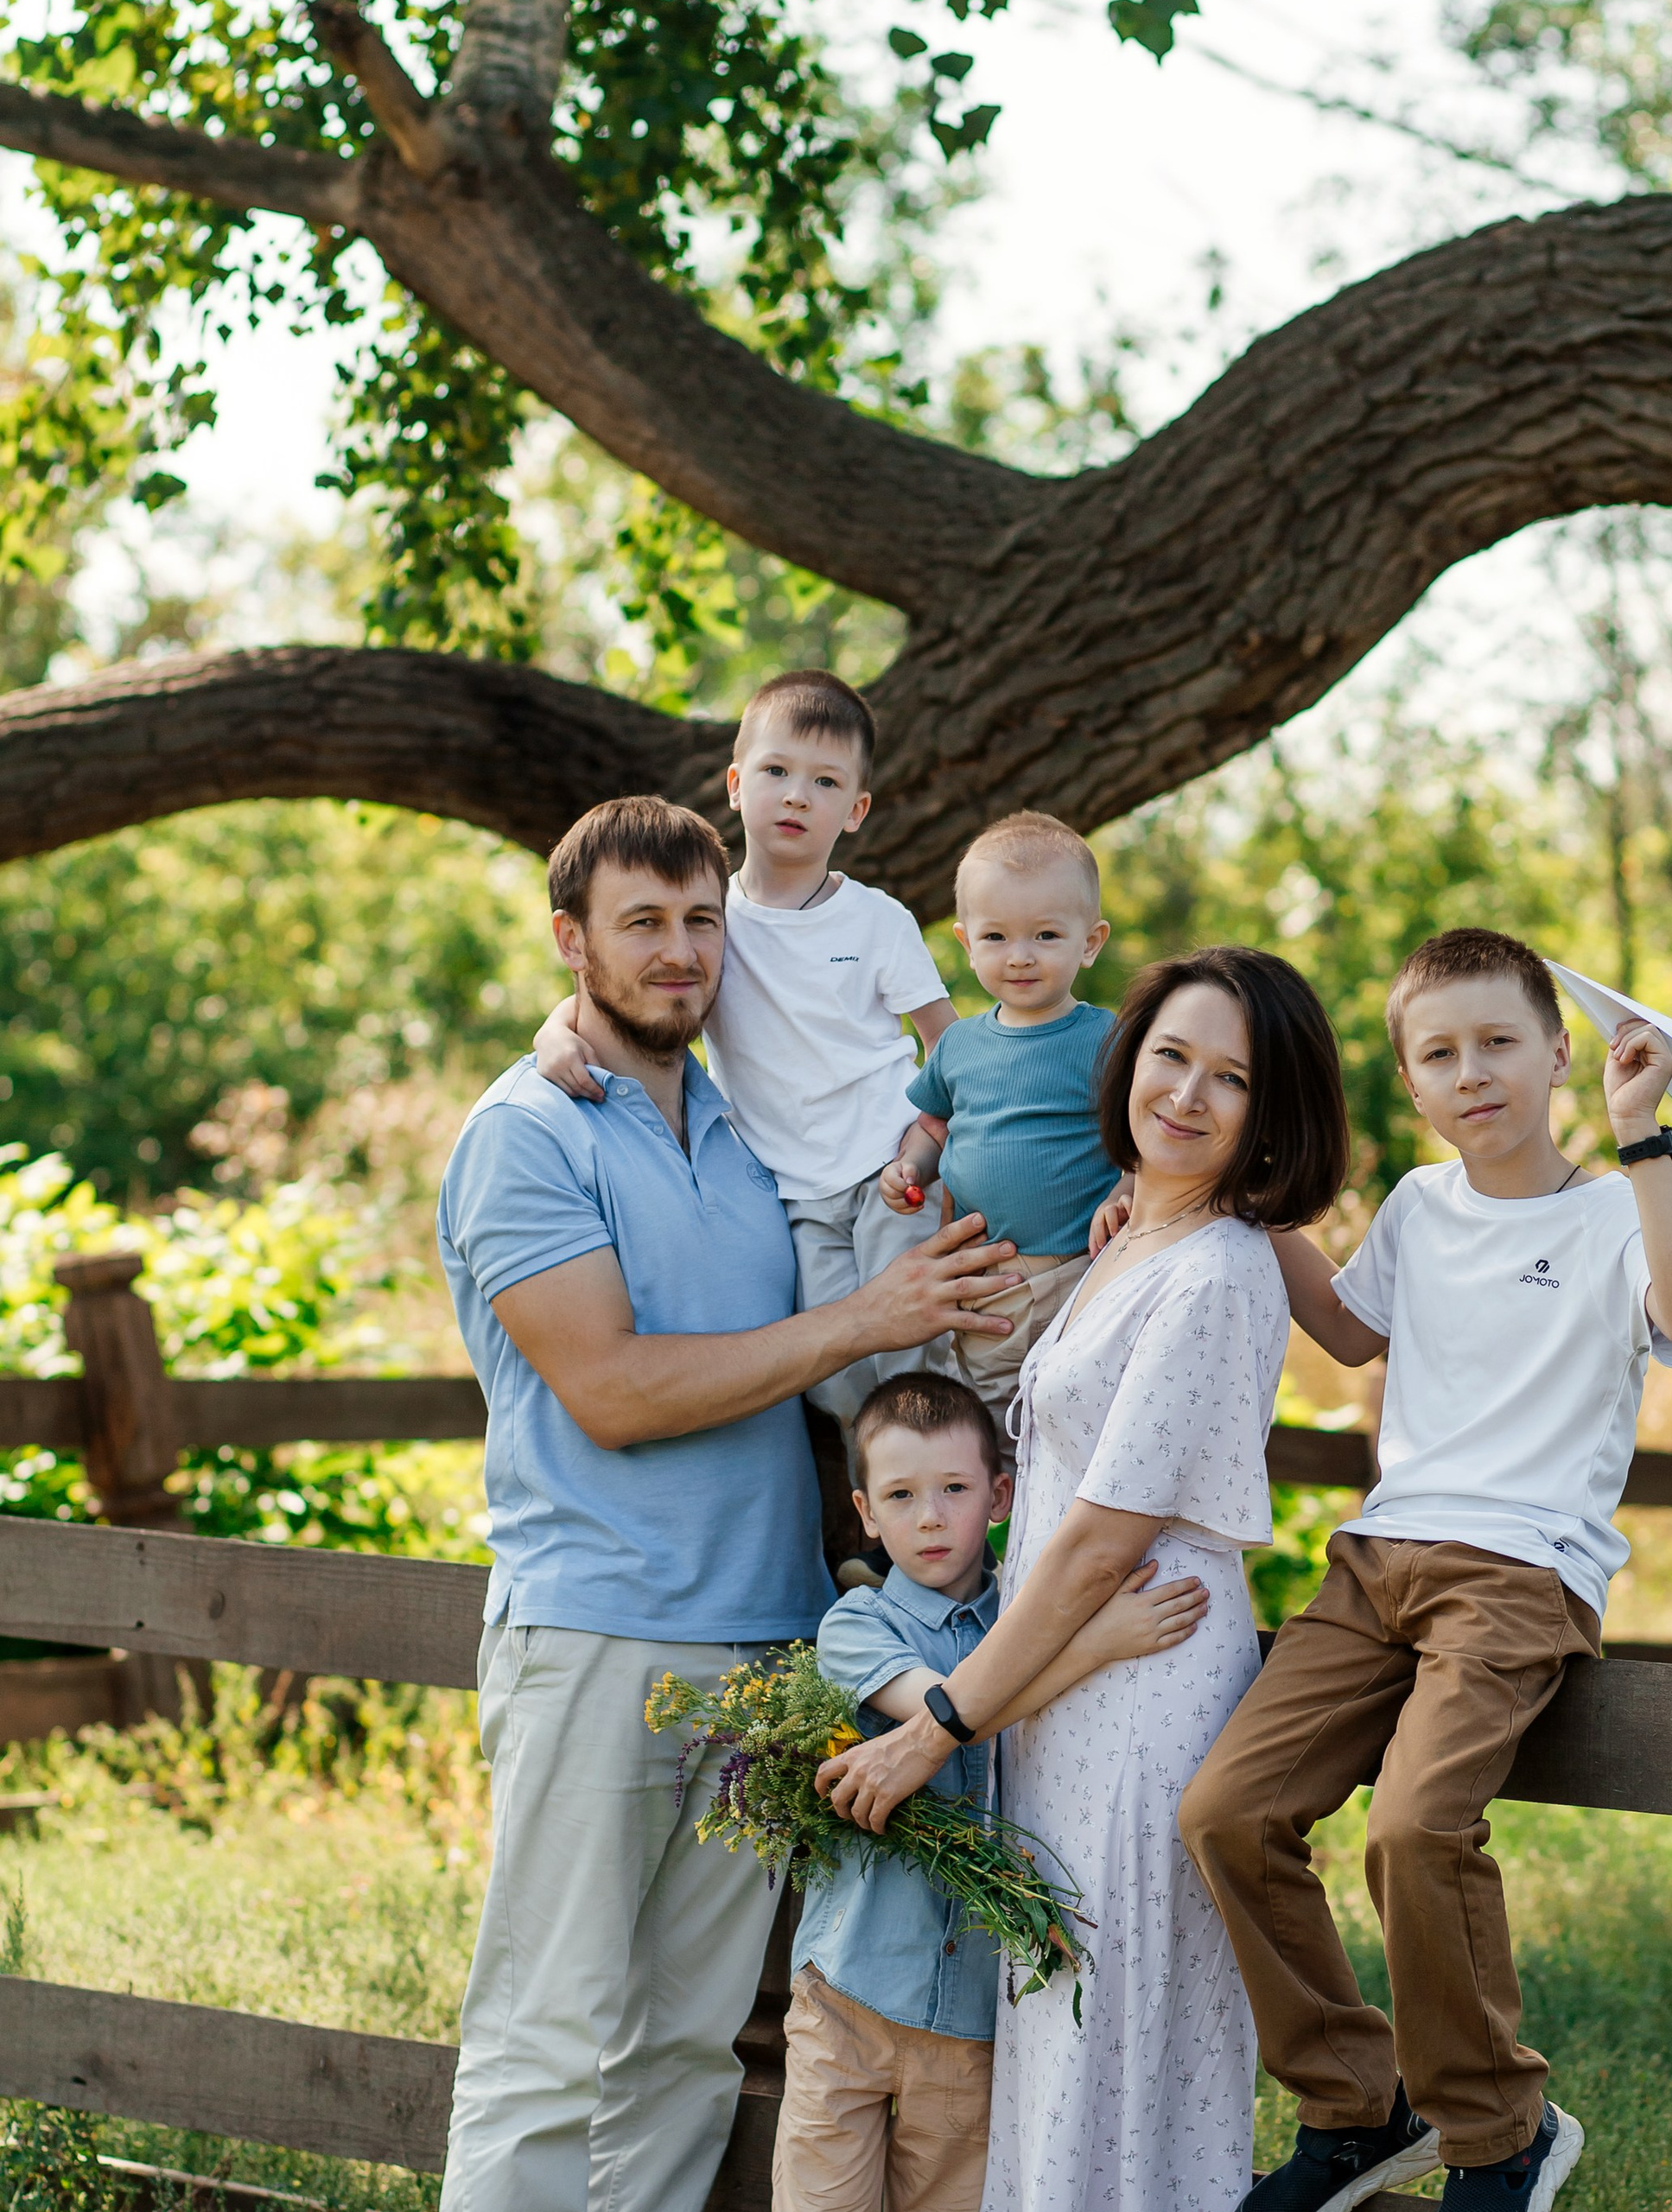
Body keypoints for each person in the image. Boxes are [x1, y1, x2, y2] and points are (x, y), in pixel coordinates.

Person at [435, 795, 1019, 2212]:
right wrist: (865, 1319)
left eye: (703, 921)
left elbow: (978, 1104)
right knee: (546, 2040)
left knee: (689, 2050)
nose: (680, 951)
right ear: (571, 941)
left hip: (767, 1647)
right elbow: (613, 1391)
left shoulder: (755, 1129)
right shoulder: (527, 1134)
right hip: (602, 1635)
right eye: (641, 922)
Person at [1179, 927, 1672, 2212]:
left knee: (1415, 1829)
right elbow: (1348, 1328)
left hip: (1519, 1571)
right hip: (1376, 1561)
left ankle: (1498, 2134)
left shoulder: (1617, 1209)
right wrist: (1230, 1204)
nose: (1471, 1072)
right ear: (1411, 1082)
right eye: (1439, 1054)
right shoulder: (1420, 1206)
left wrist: (1642, 1136)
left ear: (1557, 1054)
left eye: (1497, 1043)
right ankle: (1357, 2111)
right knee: (1225, 1813)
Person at [819, 945, 1352, 2212]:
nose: (1188, 1093)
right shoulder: (1133, 1235)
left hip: (1140, 1696)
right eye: (1171, 1055)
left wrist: (935, 1727)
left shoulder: (1216, 1270)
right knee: (1065, 2057)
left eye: (1232, 1078)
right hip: (1063, 1688)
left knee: (1114, 2064)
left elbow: (1102, 1542)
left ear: (1270, 1112)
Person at [775, 1370, 1216, 2212]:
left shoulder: (1024, 1618)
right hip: (849, 1993)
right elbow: (951, 1713)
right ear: (865, 1511)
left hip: (974, 2016)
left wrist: (1076, 1636)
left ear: (1000, 1495)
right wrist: (1094, 1645)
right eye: (900, 1495)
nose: (930, 1516)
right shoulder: (858, 1626)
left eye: (954, 1488)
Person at [532, 671, 957, 1477]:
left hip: (887, 1167)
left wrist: (929, 1145)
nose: (797, 795)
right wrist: (554, 1031)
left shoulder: (877, 921)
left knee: (915, 1365)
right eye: (776, 771)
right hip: (791, 1190)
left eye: (825, 782)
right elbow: (628, 985)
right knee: (830, 1379)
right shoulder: (714, 919)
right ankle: (880, 1513)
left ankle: (946, 1514)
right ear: (735, 784)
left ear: (856, 809)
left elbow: (953, 1050)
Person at [880, 811, 1128, 1461]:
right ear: (967, 943)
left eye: (1046, 934)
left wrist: (1126, 1188)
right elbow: (935, 1124)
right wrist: (911, 1168)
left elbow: (1140, 1137)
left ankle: (1074, 1522)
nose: (1020, 955)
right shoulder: (959, 1044)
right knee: (992, 1433)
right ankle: (1002, 1522)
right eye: (996, 936)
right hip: (987, 1281)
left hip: (1080, 1273)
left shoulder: (1108, 1040)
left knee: (1080, 1428)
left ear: (1090, 942)